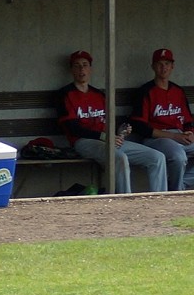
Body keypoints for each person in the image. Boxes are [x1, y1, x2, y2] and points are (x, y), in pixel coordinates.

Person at [57, 50, 167, 194]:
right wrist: (105, 137)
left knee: (157, 157)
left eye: (85, 65)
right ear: (72, 69)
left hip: (107, 140)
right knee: (119, 158)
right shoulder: (64, 94)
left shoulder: (99, 94)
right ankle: (124, 200)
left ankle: (160, 199)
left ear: (90, 69)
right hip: (83, 142)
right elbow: (72, 128)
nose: (81, 69)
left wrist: (120, 131)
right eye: (77, 66)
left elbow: (109, 123)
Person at [130, 48, 194, 191]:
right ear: (153, 66)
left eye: (167, 63)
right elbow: (140, 127)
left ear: (172, 66)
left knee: (180, 153)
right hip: (157, 138)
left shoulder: (178, 91)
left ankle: (180, 186)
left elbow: (188, 120)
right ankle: (177, 193)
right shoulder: (145, 91)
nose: (163, 67)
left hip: (180, 136)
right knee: (179, 157)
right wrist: (174, 136)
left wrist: (190, 133)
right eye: (159, 64)